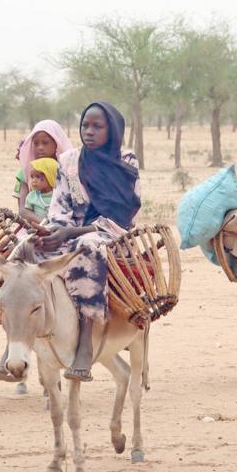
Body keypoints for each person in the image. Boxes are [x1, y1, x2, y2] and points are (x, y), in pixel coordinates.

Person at [35, 102, 141, 382]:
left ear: (113, 130)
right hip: (72, 228)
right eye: (85, 126)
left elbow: (124, 212)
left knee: (88, 248)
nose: (89, 131)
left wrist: (72, 234)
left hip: (111, 231)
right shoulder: (69, 160)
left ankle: (85, 343)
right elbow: (59, 207)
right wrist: (55, 231)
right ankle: (2, 321)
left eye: (98, 126)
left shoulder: (126, 160)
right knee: (28, 244)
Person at [0, 120, 72, 350]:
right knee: (5, 267)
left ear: (57, 144)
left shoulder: (69, 170)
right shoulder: (27, 171)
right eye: (37, 142)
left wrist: (56, 226)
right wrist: (39, 225)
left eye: (46, 142)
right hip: (30, 230)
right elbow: (22, 209)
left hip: (62, 230)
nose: (41, 147)